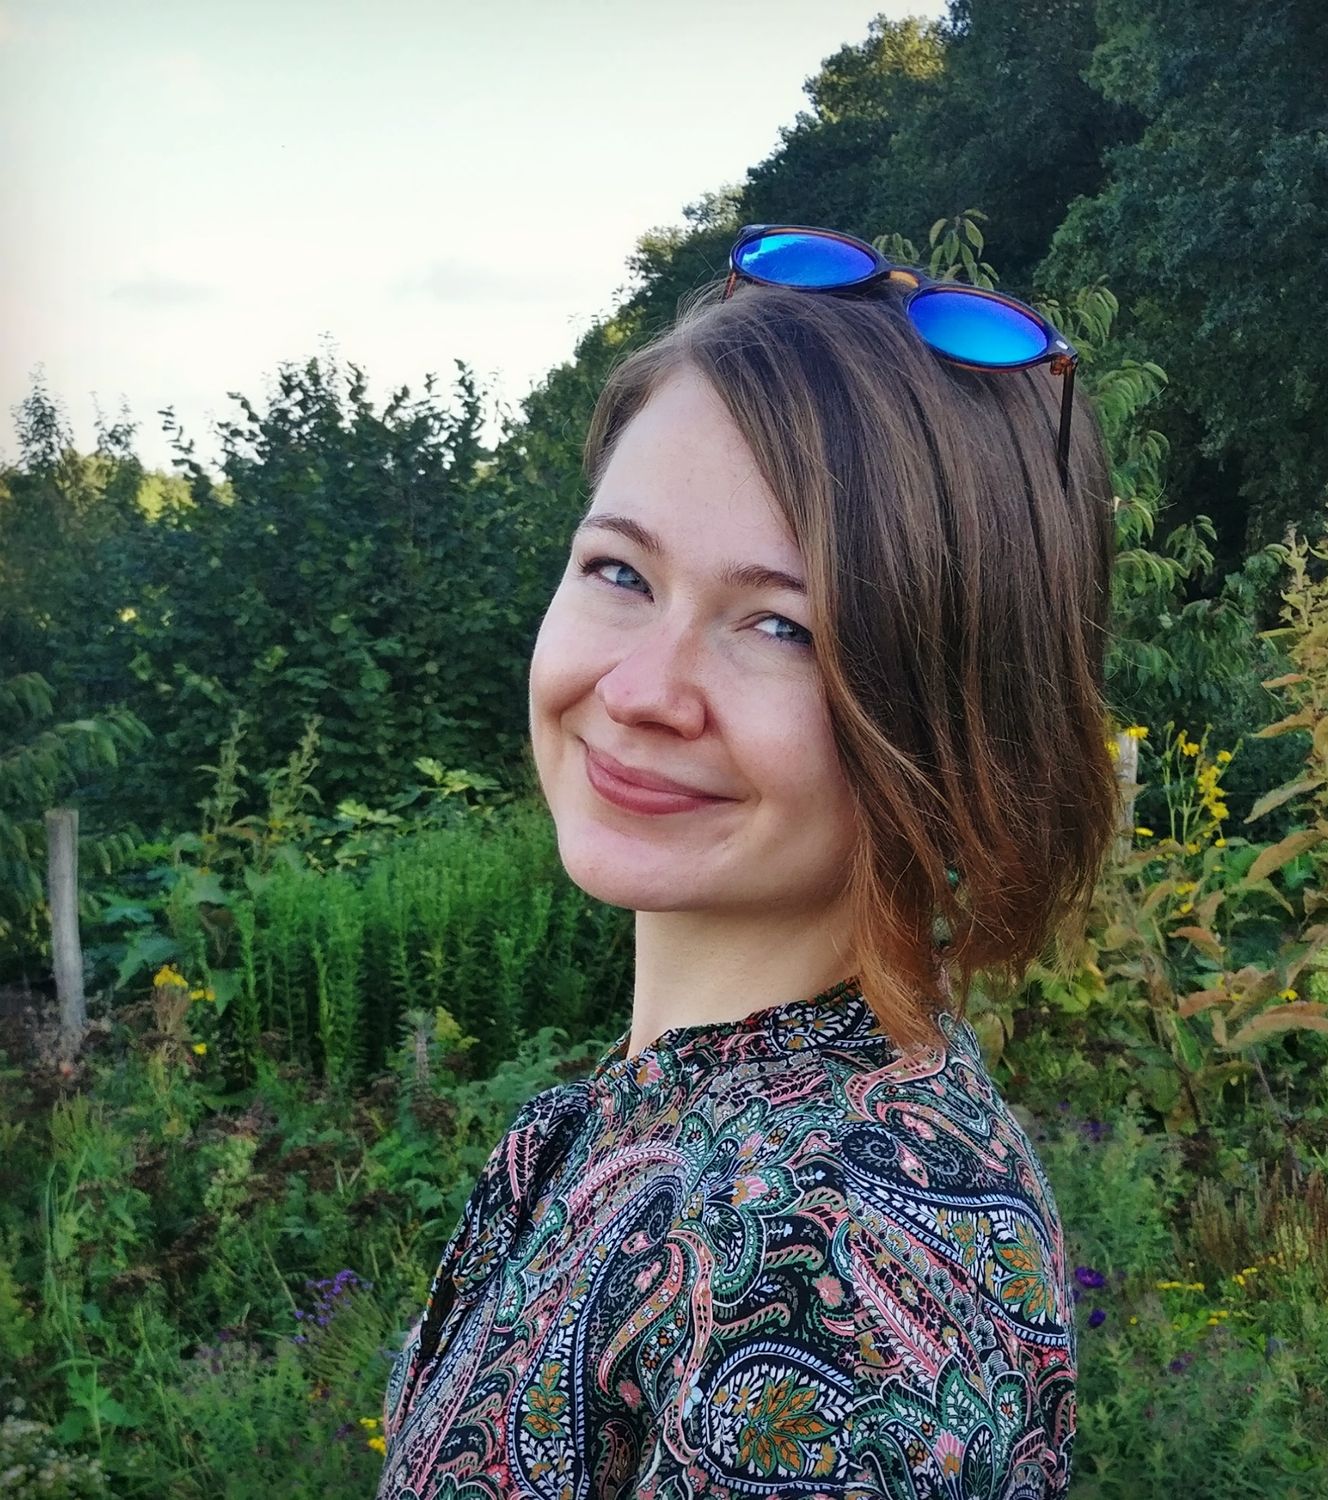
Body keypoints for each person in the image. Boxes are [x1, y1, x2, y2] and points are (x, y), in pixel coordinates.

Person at [376, 225, 1119, 1498]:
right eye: (620, 570)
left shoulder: (831, 1279)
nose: (642, 688)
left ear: (962, 709)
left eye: (780, 625)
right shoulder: (669, 1113)